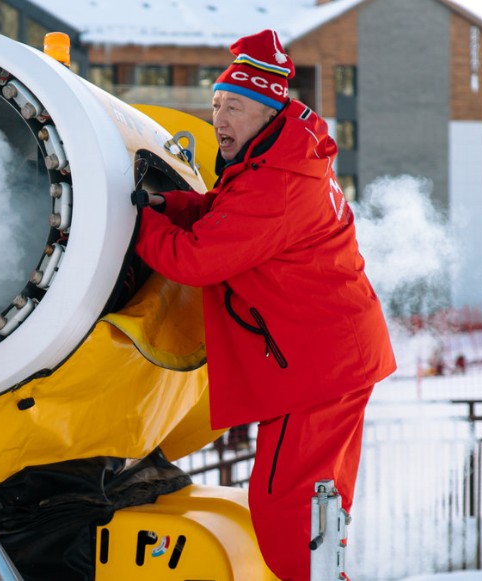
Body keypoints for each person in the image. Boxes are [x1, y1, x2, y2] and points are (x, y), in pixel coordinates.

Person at [132, 30, 396, 580]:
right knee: (319, 509)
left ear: (269, 113)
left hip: (317, 367)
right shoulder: (282, 160)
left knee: (284, 511)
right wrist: (172, 203)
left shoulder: (277, 184)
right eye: (217, 105)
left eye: (236, 108)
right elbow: (224, 212)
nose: (220, 119)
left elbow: (196, 261)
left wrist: (139, 222)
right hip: (333, 356)